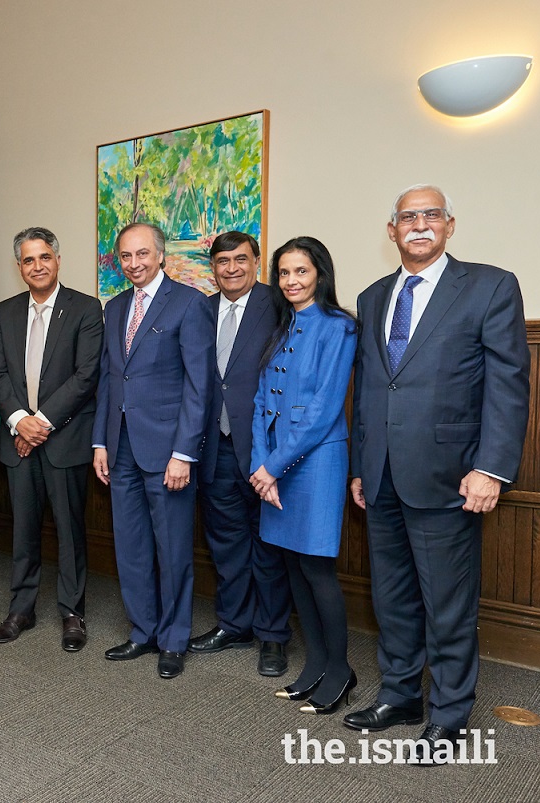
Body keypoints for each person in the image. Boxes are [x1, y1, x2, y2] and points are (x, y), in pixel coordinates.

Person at [343, 184, 530, 762]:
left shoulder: (490, 286)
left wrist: (490, 469)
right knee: (393, 598)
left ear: (449, 224)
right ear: (392, 230)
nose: (419, 224)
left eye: (431, 215)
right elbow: (370, 389)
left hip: (451, 477)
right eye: (408, 217)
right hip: (381, 476)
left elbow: (507, 385)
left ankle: (448, 717)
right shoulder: (373, 296)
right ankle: (400, 696)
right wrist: (360, 466)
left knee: (448, 605)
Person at [91, 222, 213, 679]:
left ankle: (174, 639)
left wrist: (184, 453)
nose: (134, 263)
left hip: (167, 452)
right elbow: (109, 379)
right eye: (125, 256)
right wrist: (100, 442)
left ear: (160, 255)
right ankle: (142, 630)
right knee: (131, 546)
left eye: (142, 254)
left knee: (173, 549)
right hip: (120, 447)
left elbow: (199, 386)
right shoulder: (115, 306)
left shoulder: (190, 303)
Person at [248, 237, 358, 715]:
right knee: (292, 565)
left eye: (301, 271)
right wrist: (260, 465)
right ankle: (315, 664)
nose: (291, 281)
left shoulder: (339, 327)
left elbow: (323, 410)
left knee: (316, 568)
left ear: (320, 274)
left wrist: (272, 467)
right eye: (284, 273)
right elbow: (260, 402)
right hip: (274, 465)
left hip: (316, 462)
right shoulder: (282, 326)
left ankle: (340, 670)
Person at [0, 227, 102, 651]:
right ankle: (22, 608)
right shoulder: (5, 311)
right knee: (23, 529)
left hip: (64, 440)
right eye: (29, 260)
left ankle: (72, 611)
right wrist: (20, 421)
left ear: (57, 260)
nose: (38, 266)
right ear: (19, 267)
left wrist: (41, 424)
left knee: (69, 531)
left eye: (45, 257)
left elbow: (86, 376)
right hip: (18, 438)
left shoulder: (86, 308)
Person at [190, 232, 293, 677]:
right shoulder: (201, 309)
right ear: (212, 267)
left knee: (268, 545)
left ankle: (273, 636)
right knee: (226, 543)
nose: (231, 268)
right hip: (214, 447)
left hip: (265, 449)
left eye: (240, 259)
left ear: (256, 262)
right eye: (222, 261)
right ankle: (234, 625)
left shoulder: (279, 304)